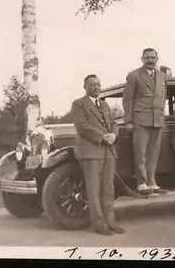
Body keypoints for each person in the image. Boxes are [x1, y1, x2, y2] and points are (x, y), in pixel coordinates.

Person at [71, 74, 126, 235]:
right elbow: (82, 125)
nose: (96, 87)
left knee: (108, 188)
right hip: (91, 151)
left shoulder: (104, 105)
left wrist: (114, 135)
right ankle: (99, 225)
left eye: (98, 84)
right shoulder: (79, 104)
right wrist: (103, 137)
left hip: (108, 151)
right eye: (93, 84)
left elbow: (114, 123)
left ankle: (111, 222)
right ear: (85, 86)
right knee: (94, 189)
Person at [122, 48, 168, 195]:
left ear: (157, 59)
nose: (150, 60)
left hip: (157, 119)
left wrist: (161, 116)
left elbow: (162, 97)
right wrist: (129, 120)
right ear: (142, 59)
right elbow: (127, 99)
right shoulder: (134, 75)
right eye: (147, 57)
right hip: (141, 119)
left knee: (154, 153)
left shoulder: (161, 76)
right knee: (140, 153)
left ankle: (152, 181)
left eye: (153, 58)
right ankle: (141, 183)